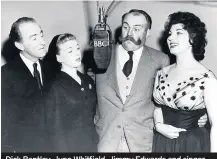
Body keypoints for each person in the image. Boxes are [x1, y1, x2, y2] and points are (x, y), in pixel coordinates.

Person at [94, 9, 208, 152]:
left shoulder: (161, 60)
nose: (129, 33)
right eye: (125, 27)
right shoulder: (99, 55)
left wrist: (201, 113)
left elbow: (171, 97)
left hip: (143, 143)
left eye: (137, 29)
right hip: (105, 140)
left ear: (148, 33)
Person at [152, 11, 217, 152]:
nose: (171, 38)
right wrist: (158, 125)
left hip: (193, 144)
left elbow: (216, 123)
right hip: (162, 142)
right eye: (170, 33)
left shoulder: (207, 78)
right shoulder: (161, 73)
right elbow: (158, 107)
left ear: (193, 39)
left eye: (178, 32)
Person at [1, 17, 54, 152]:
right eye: (34, 38)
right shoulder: (5, 75)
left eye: (41, 35)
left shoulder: (54, 70)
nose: (42, 42)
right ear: (20, 45)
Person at [44, 33, 98, 152]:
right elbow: (55, 130)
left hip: (93, 144)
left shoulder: (87, 80)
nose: (77, 53)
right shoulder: (55, 86)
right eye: (70, 51)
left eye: (77, 48)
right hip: (71, 148)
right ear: (59, 58)